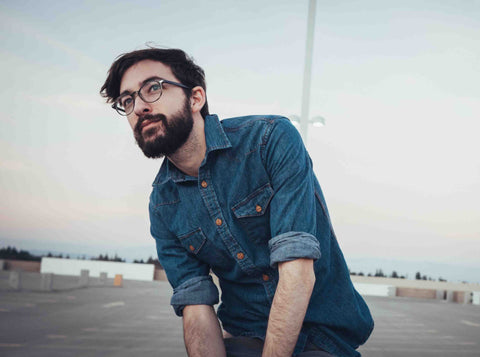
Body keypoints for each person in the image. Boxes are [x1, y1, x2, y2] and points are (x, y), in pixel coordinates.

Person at [100, 47, 373, 357]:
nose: (139, 107)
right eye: (128, 100)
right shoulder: (163, 205)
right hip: (245, 337)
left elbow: (297, 269)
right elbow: (196, 308)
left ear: (195, 98)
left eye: (153, 88)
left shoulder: (269, 141)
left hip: (323, 336)